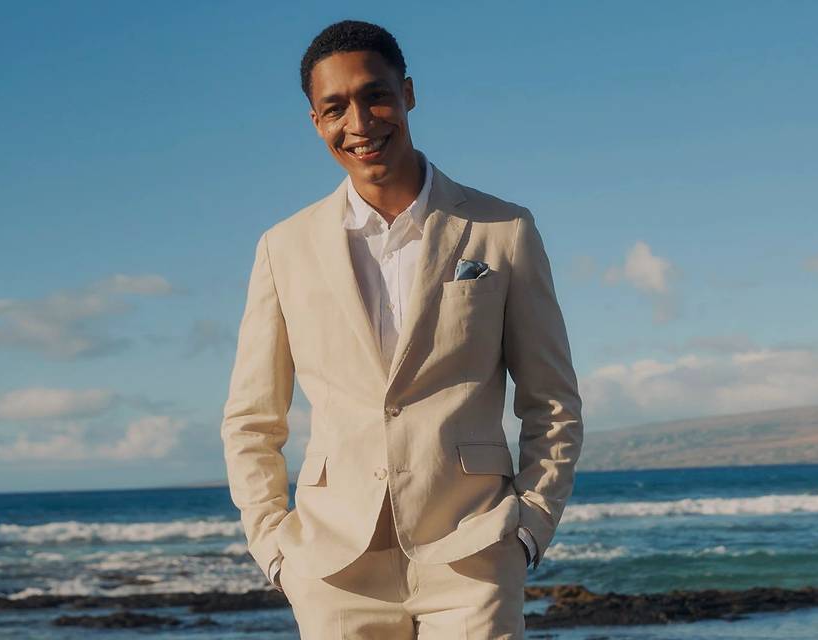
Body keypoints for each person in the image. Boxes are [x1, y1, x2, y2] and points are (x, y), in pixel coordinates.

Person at [221, 19, 583, 639]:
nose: (359, 122)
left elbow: (552, 400)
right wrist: (275, 548)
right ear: (315, 121)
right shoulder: (284, 247)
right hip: (333, 564)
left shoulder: (502, 230)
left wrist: (528, 528)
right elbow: (252, 418)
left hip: (471, 554)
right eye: (335, 107)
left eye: (375, 95)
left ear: (408, 93)